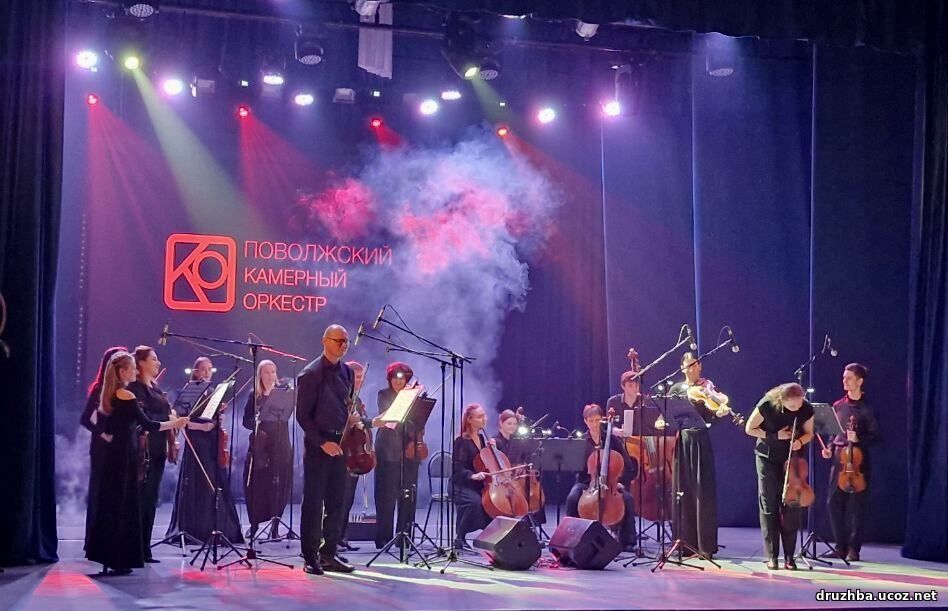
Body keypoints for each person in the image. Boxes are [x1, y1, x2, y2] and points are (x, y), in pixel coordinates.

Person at [85, 351, 187, 574]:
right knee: (124, 505)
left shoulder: (110, 393)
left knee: (113, 505)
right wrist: (176, 423)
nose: (135, 371)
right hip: (125, 455)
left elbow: (106, 426)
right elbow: (149, 424)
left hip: (115, 454)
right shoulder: (126, 395)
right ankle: (120, 558)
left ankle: (109, 557)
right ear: (123, 372)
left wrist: (108, 436)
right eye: (132, 368)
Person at [296, 324, 358, 575]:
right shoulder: (310, 373)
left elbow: (345, 405)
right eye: (338, 340)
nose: (343, 345)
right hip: (318, 445)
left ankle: (329, 553)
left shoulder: (348, 372)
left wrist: (351, 419)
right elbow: (303, 416)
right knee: (314, 502)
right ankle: (310, 556)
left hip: (340, 444)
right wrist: (323, 443)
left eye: (346, 342)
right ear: (325, 340)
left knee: (336, 501)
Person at [165, 356, 243, 545]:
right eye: (203, 369)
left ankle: (217, 528)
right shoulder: (189, 393)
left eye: (210, 369)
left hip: (212, 443)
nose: (207, 372)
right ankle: (197, 530)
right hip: (197, 443)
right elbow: (181, 421)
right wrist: (201, 427)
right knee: (199, 484)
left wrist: (218, 418)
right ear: (196, 371)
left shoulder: (212, 393)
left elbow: (213, 421)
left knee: (216, 483)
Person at [744, 382, 815, 570]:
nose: (796, 408)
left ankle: (790, 557)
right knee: (769, 504)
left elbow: (809, 433)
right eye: (792, 405)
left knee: (792, 506)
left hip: (793, 461)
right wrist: (775, 436)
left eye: (799, 403)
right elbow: (749, 428)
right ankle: (772, 556)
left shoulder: (806, 409)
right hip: (767, 457)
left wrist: (800, 442)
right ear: (782, 401)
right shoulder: (767, 404)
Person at [667, 352, 731, 558]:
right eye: (688, 365)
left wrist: (719, 414)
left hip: (700, 441)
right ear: (682, 368)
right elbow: (669, 414)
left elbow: (714, 414)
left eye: (695, 365)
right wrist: (663, 420)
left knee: (702, 491)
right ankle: (684, 543)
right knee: (682, 490)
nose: (692, 368)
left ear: (700, 366)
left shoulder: (707, 387)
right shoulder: (676, 389)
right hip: (683, 441)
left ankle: (705, 546)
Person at [820, 363, 879, 562]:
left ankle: (854, 549)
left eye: (848, 378)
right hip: (839, 460)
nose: (844, 381)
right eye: (843, 377)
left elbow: (876, 437)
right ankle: (840, 546)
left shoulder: (868, 408)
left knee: (857, 507)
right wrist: (829, 448)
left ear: (860, 381)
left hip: (859, 461)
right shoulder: (838, 405)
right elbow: (833, 433)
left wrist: (858, 439)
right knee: (833, 503)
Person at [565, 403, 638, 550]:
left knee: (628, 499)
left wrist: (619, 481)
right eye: (591, 421)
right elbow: (574, 468)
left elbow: (628, 465)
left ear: (602, 420)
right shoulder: (582, 441)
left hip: (611, 484)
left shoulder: (613, 440)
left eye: (597, 420)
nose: (594, 424)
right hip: (587, 483)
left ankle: (628, 541)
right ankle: (573, 537)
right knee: (572, 498)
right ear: (585, 421)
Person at [127, 345, 173, 563]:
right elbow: (143, 419)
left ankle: (146, 548)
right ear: (141, 363)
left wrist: (172, 416)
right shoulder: (136, 388)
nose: (158, 363)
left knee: (152, 498)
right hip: (144, 451)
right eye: (153, 359)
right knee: (142, 499)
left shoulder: (155, 388)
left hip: (158, 448)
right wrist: (170, 420)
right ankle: (136, 548)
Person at [80, 345, 128, 550]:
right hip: (102, 447)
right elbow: (85, 419)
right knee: (98, 492)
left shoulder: (124, 390)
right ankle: (93, 541)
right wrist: (103, 434)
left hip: (117, 446)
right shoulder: (100, 388)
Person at [242, 359, 293, 540]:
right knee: (257, 485)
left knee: (280, 483)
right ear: (260, 375)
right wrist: (256, 423)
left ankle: (275, 526)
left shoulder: (284, 393)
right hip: (261, 446)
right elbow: (245, 421)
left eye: (273, 372)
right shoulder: (254, 396)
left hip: (281, 443)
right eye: (267, 372)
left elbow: (288, 414)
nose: (271, 376)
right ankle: (254, 524)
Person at [373, 361, 422, 549]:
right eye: (395, 378)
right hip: (387, 448)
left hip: (409, 449)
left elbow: (419, 422)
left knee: (408, 494)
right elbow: (389, 419)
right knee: (385, 495)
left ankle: (404, 537)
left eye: (402, 378)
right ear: (390, 379)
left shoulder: (414, 397)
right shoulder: (383, 395)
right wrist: (405, 399)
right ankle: (383, 538)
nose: (399, 381)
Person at [339, 360, 380, 552]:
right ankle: (331, 539)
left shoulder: (356, 398)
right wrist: (362, 421)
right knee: (339, 500)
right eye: (356, 377)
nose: (359, 381)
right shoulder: (341, 395)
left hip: (355, 453)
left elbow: (361, 425)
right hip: (343, 453)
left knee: (347, 500)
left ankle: (342, 537)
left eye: (362, 377)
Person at [493, 409, 546, 527]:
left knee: (532, 487)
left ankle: (532, 523)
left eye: (514, 424)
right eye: (509, 423)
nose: (512, 426)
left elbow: (526, 457)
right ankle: (516, 521)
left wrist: (523, 465)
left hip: (518, 476)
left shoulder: (517, 440)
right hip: (503, 478)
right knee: (518, 491)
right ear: (501, 423)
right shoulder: (496, 441)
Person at [452, 403, 491, 550]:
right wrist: (472, 476)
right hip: (460, 484)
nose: (484, 419)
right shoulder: (461, 441)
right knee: (475, 502)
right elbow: (457, 468)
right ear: (469, 419)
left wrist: (491, 449)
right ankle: (460, 537)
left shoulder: (481, 438)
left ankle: (489, 537)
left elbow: (483, 461)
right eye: (480, 417)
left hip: (476, 484)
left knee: (489, 502)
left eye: (484, 416)